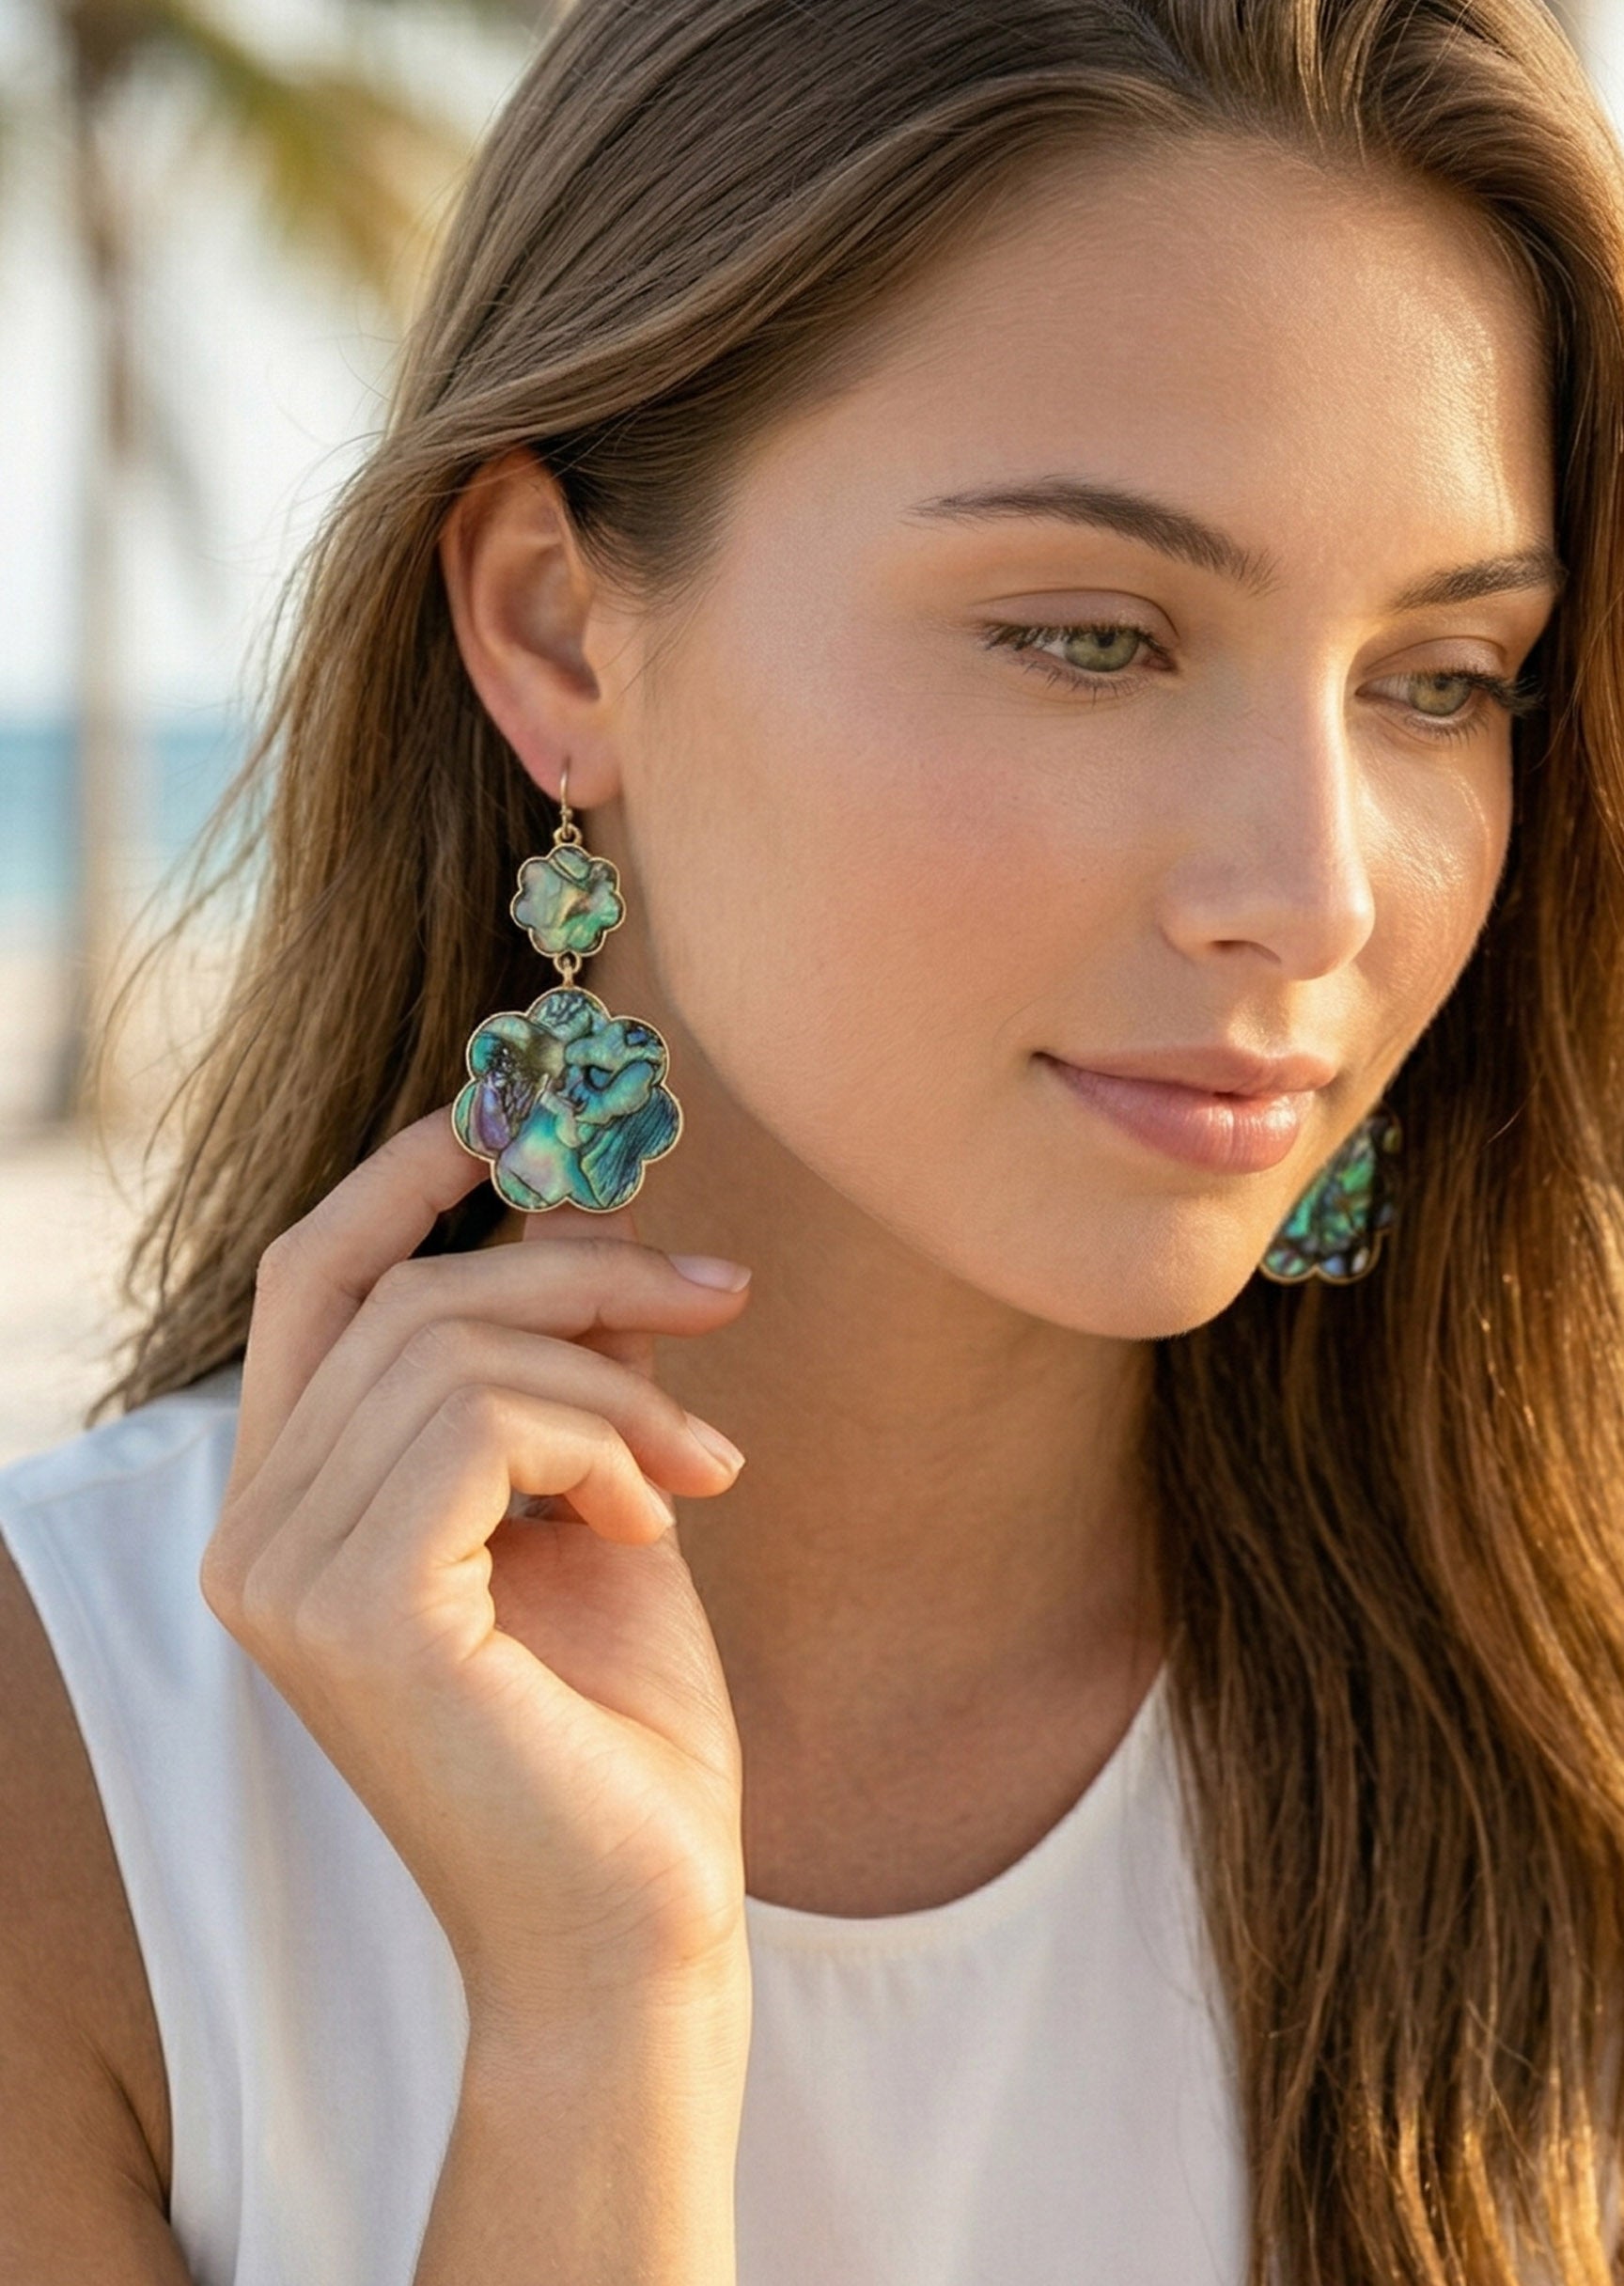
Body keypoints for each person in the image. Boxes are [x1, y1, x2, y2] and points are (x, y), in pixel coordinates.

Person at [4, 0, 1623, 2277]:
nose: (1318, 889)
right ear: (559, 633)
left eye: (1440, 679)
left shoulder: (1566, 1688)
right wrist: (600, 2022)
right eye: (1091, 638)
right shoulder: (77, 1777)